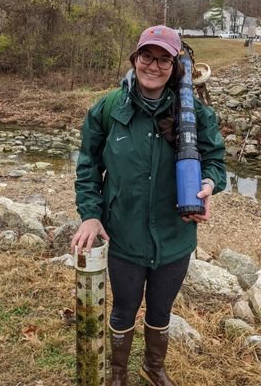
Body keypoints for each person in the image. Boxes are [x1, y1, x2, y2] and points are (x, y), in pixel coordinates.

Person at [71, 25, 226, 386]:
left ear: (175, 66)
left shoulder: (196, 115)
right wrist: (91, 214)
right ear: (135, 59)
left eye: (164, 59)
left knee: (161, 309)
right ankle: (118, 375)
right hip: (124, 234)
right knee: (124, 308)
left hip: (175, 236)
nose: (153, 66)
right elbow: (88, 166)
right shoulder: (108, 109)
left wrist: (208, 184)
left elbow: (216, 162)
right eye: (147, 56)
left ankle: (153, 367)